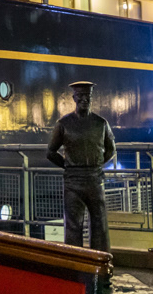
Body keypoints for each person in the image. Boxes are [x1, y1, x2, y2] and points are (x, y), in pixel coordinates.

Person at [47, 81, 116, 254]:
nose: (84, 99)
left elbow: (111, 150)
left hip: (86, 180)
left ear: (92, 98)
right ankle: (95, 263)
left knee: (85, 225)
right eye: (81, 96)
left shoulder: (100, 123)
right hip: (86, 181)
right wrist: (73, 167)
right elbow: (50, 152)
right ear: (74, 98)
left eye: (88, 96)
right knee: (88, 225)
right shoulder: (66, 124)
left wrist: (73, 167)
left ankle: (82, 263)